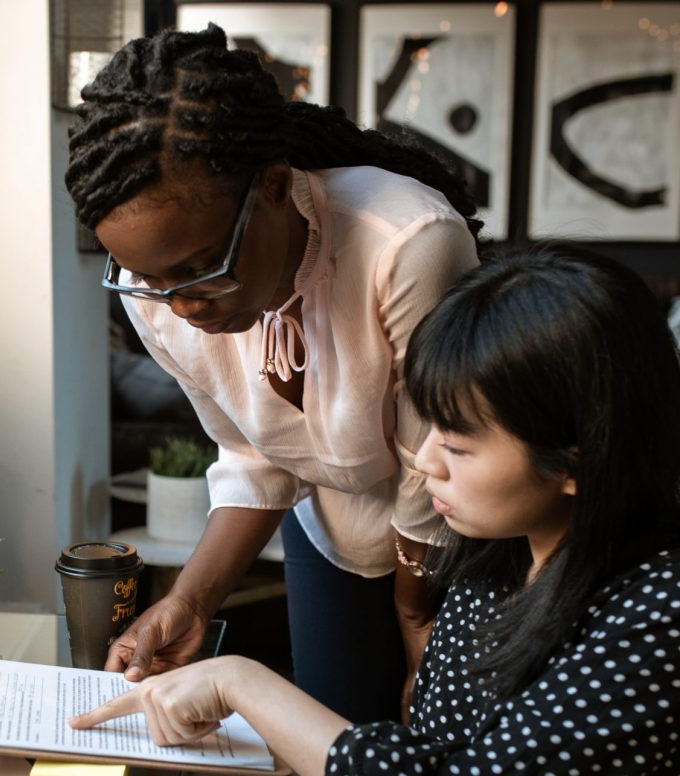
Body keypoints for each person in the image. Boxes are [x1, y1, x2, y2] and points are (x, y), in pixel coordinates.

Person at [69, 248, 680, 774]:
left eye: (460, 445)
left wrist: (240, 683)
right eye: (432, 427)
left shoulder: (658, 617)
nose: (425, 461)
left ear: (574, 461)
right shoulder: (501, 557)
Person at [65, 23, 481, 721]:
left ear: (275, 184)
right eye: (149, 278)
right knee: (337, 732)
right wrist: (190, 600)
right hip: (329, 527)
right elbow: (256, 455)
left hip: (461, 532)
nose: (183, 304)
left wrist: (417, 630)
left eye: (203, 267)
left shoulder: (405, 245)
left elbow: (431, 466)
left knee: (443, 733)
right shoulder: (158, 295)